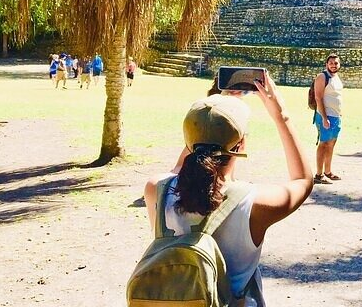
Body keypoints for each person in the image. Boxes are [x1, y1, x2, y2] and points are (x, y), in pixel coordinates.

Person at [143, 76, 313, 305]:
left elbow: (178, 170)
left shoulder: (156, 189)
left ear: (188, 142)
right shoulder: (255, 204)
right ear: (241, 144)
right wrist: (281, 116)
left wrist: (203, 125)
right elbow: (303, 180)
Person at [313, 54, 343, 185]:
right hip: (325, 116)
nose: (333, 65)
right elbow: (318, 98)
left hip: (336, 116)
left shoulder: (336, 77)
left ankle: (328, 172)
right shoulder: (322, 77)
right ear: (326, 64)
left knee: (331, 144)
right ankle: (318, 175)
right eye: (331, 63)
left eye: (336, 63)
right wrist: (324, 118)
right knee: (323, 144)